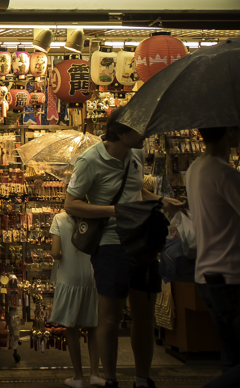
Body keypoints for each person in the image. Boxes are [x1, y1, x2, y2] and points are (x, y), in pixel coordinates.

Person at [64, 109, 185, 388]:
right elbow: (71, 204)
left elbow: (136, 190)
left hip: (142, 242)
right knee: (111, 316)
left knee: (144, 314)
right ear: (120, 132)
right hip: (110, 245)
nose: (145, 134)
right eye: (139, 128)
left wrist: (161, 200)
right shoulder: (90, 160)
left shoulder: (135, 156)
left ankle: (143, 378)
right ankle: (110, 380)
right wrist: (114, 211)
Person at [184, 126, 240, 388]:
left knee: (230, 356)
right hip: (230, 275)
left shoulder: (196, 168)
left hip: (207, 275)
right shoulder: (224, 173)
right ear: (229, 132)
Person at [50, 209, 102, 388]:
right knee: (93, 326)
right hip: (91, 277)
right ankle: (95, 373)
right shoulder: (93, 216)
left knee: (72, 327)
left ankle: (78, 376)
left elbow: (55, 252)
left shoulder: (59, 219)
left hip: (68, 278)